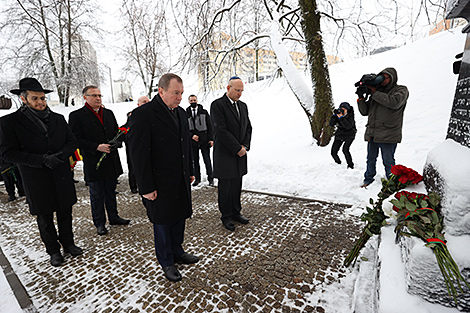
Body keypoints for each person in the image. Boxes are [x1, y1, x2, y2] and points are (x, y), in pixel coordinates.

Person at [0, 77, 82, 266]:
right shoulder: (9, 122)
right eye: (35, 99)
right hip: (36, 177)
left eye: (42, 98)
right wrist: (41, 160)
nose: (40, 102)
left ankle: (68, 243)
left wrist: (60, 156)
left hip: (60, 173)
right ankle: (53, 250)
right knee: (45, 217)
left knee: (65, 213)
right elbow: (7, 153)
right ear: (23, 99)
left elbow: (72, 142)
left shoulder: (58, 119)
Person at [127, 73, 199, 282]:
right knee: (162, 223)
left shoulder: (181, 113)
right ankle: (166, 261)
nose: (180, 98)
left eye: (182, 93)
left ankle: (177, 251)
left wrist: (191, 169)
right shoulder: (143, 114)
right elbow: (138, 155)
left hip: (179, 178)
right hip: (158, 182)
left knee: (179, 218)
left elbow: (185, 145)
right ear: (161, 91)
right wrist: (146, 186)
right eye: (176, 93)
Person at [69, 85, 130, 236]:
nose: (98, 98)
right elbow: (75, 139)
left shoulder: (108, 113)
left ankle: (114, 217)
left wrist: (117, 142)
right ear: (85, 97)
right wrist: (96, 147)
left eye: (99, 95)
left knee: (110, 191)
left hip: (110, 160)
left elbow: (116, 132)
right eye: (94, 95)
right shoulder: (77, 116)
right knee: (97, 195)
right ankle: (100, 223)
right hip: (94, 162)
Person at [210, 76, 252, 231]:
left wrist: (245, 145)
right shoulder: (217, 105)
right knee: (225, 187)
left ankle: (236, 212)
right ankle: (226, 216)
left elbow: (248, 127)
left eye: (241, 90)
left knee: (236, 185)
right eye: (237, 90)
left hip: (240, 153)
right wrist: (237, 148)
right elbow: (220, 130)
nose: (240, 93)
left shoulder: (243, 106)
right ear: (228, 88)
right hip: (225, 154)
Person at [357, 67, 409, 187]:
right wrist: (361, 98)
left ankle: (391, 184)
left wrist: (375, 92)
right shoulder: (377, 92)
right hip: (373, 133)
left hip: (388, 133)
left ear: (393, 78)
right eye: (382, 77)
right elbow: (365, 111)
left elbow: (394, 102)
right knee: (370, 159)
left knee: (388, 161)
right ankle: (368, 179)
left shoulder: (401, 90)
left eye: (387, 77)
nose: (384, 80)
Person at [123, 95, 150, 193]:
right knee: (133, 166)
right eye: (144, 102)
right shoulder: (133, 115)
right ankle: (134, 186)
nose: (147, 103)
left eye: (148, 101)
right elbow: (126, 128)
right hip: (134, 146)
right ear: (138, 104)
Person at [185, 95, 214, 187]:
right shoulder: (186, 114)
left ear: (197, 100)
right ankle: (197, 179)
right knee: (195, 161)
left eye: (194, 100)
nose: (193, 101)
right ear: (189, 101)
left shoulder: (204, 112)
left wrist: (211, 139)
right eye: (191, 100)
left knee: (207, 160)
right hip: (193, 142)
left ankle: (211, 178)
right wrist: (191, 136)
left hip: (204, 140)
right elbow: (185, 129)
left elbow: (210, 126)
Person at [329, 102, 357, 169]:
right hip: (340, 133)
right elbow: (331, 124)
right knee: (333, 152)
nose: (342, 110)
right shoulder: (338, 115)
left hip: (350, 134)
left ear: (347, 109)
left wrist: (341, 118)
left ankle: (350, 165)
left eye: (344, 109)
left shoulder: (350, 116)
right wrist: (334, 116)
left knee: (345, 150)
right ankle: (338, 164)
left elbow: (348, 126)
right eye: (341, 108)